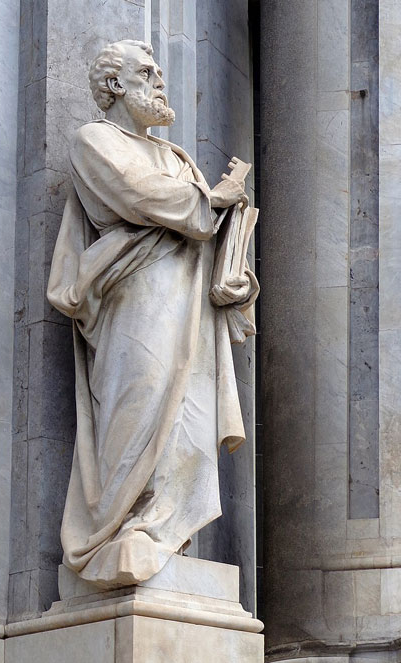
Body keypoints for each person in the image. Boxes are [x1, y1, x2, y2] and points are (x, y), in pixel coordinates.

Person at [47, 39, 258, 587]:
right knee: (137, 401)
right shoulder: (93, 140)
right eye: (148, 73)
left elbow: (198, 228)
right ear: (115, 86)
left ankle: (163, 527)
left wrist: (230, 240)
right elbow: (135, 195)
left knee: (188, 417)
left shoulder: (176, 157)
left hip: (188, 303)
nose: (161, 84)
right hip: (131, 301)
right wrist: (210, 201)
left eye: (161, 73)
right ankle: (119, 525)